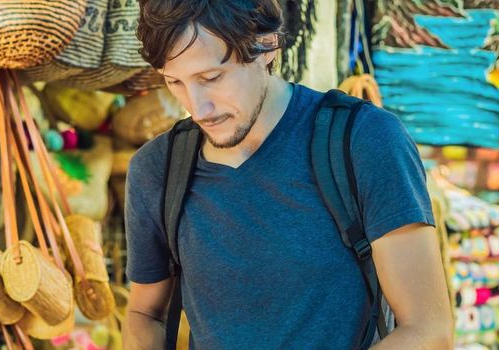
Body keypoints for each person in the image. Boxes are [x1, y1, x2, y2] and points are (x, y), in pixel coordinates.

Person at [122, 0, 454, 349]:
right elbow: (144, 314)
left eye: (212, 77)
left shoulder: (365, 140)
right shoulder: (157, 168)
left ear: (267, 44)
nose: (197, 106)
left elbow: (428, 330)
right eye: (175, 82)